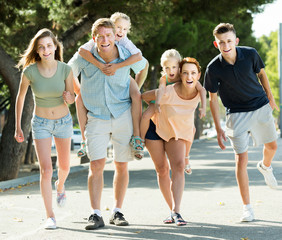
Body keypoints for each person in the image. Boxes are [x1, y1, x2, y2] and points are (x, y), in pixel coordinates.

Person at [68, 18, 147, 230]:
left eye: (109, 35)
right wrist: (78, 93)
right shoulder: (84, 56)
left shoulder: (126, 53)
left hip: (122, 114)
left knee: (122, 164)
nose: (105, 40)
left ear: (115, 37)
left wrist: (134, 86)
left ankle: (117, 211)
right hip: (96, 117)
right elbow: (68, 72)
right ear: (94, 38)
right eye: (100, 36)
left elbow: (143, 64)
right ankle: (95, 214)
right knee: (96, 165)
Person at [204, 23, 278, 222]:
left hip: (260, 105)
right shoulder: (213, 68)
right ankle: (247, 208)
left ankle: (265, 166)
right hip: (236, 114)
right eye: (221, 42)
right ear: (216, 44)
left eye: (229, 41)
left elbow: (262, 74)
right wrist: (219, 128)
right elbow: (212, 99)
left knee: (272, 147)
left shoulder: (251, 54)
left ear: (236, 41)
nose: (225, 45)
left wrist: (270, 98)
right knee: (241, 160)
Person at [15, 28, 75, 229]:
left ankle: (60, 186)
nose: (46, 49)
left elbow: (72, 97)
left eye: (49, 45)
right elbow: (21, 98)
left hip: (63, 122)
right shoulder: (30, 71)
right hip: (40, 123)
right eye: (41, 47)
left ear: (55, 47)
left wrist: (70, 98)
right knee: (46, 170)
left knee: (64, 167)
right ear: (37, 51)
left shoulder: (66, 69)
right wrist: (18, 127)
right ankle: (50, 216)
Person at [76, 12, 149, 160]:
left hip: (124, 76)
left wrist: (119, 68)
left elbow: (141, 60)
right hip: (109, 76)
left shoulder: (126, 43)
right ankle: (85, 139)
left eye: (125, 29)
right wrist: (100, 65)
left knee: (136, 96)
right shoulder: (101, 38)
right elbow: (81, 52)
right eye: (118, 28)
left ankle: (137, 136)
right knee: (79, 99)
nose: (121, 32)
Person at [142, 57, 203, 226]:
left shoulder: (197, 91)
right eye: (184, 73)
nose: (188, 76)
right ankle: (172, 210)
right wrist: (157, 103)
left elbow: (206, 94)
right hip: (155, 128)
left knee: (178, 166)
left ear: (197, 75)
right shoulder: (167, 89)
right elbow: (143, 96)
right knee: (162, 170)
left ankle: (176, 211)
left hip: (174, 132)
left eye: (191, 73)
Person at [140, 49, 206, 175]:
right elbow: (160, 90)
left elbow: (202, 91)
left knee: (192, 130)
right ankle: (140, 140)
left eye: (174, 67)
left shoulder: (187, 78)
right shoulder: (164, 78)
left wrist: (203, 106)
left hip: (175, 114)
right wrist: (157, 103)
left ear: (180, 67)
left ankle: (186, 157)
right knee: (146, 115)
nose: (171, 71)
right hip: (161, 102)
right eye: (167, 67)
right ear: (163, 68)